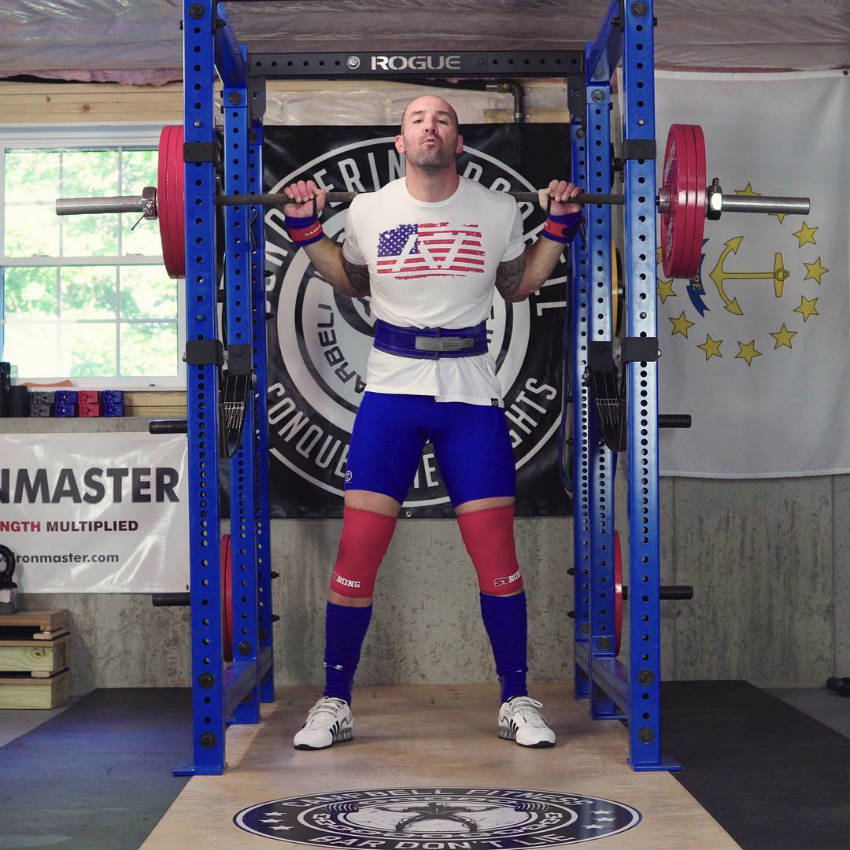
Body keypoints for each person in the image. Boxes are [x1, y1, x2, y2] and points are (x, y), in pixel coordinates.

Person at [281, 94, 582, 750]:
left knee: (497, 558)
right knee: (356, 556)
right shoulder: (369, 209)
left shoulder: (498, 210)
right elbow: (353, 280)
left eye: (442, 118)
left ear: (459, 142)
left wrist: (557, 227)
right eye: (418, 118)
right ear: (400, 141)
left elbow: (517, 284)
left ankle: (517, 699)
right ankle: (334, 701)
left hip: (471, 395)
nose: (430, 126)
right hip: (391, 392)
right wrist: (307, 232)